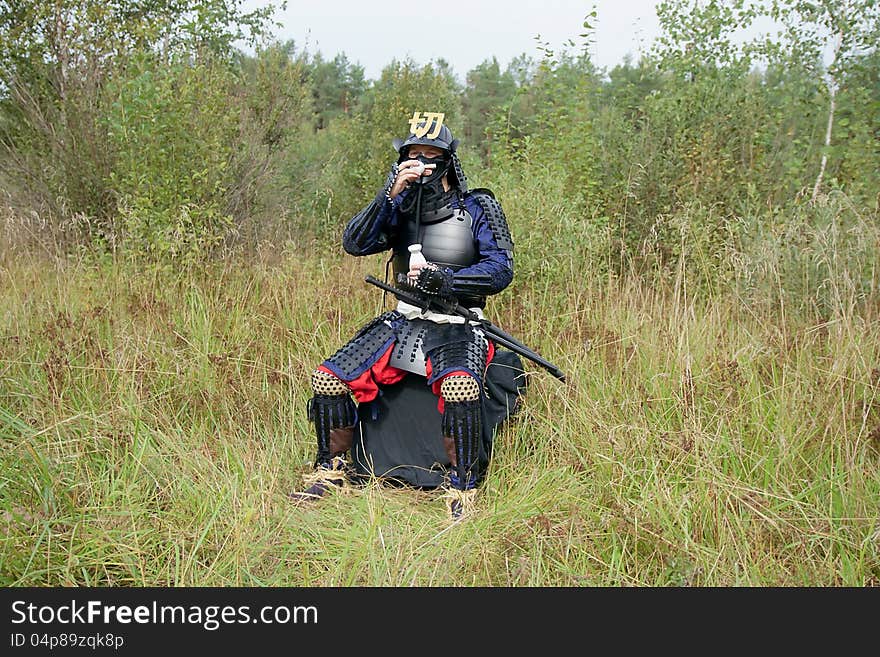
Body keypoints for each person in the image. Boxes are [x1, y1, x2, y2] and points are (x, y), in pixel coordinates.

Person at [292, 111, 517, 520]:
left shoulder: (479, 206)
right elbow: (355, 243)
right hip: (404, 319)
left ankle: (462, 486)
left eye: (431, 155)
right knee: (327, 377)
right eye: (414, 155)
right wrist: (389, 194)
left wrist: (445, 280)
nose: (423, 164)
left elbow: (501, 268)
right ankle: (333, 469)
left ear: (448, 160)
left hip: (456, 322)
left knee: (462, 388)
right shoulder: (400, 206)